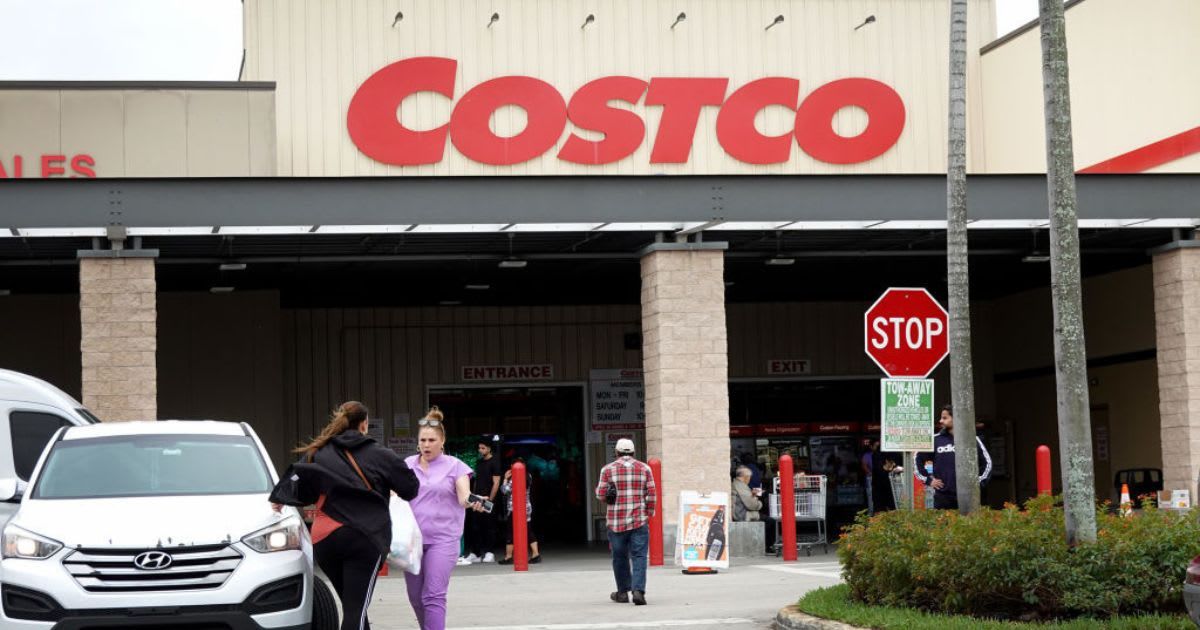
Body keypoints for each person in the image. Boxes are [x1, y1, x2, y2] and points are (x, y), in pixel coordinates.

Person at [271, 401, 420, 630]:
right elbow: (410, 489)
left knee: (355, 609)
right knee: (355, 613)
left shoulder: (318, 452)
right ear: (364, 424)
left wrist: (279, 497)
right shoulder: (380, 454)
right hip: (363, 536)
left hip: (324, 540)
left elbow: (300, 487)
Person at [405, 406, 486, 630]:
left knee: (433, 595)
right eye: (423, 440)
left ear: (442, 441)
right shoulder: (407, 465)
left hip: (443, 540)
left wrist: (474, 501)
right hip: (412, 541)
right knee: (415, 597)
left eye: (432, 440)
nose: (426, 445)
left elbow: (463, 497)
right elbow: (394, 496)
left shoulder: (455, 466)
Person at [595, 438, 656, 606]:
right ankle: (638, 591)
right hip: (639, 520)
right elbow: (651, 494)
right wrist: (649, 511)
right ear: (633, 452)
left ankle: (622, 592)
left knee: (619, 557)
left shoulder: (607, 470)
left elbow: (601, 495)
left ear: (616, 452)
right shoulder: (645, 468)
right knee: (639, 556)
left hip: (616, 521)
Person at [915, 405, 993, 510]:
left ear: (956, 418)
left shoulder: (972, 439)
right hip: (942, 497)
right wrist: (928, 480)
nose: (941, 421)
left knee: (967, 526)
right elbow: (917, 459)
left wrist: (977, 482)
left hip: (969, 497)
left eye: (945, 418)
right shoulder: (935, 440)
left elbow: (987, 463)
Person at [464, 434, 501, 564]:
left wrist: (490, 500)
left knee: (489, 527)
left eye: (483, 448)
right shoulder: (479, 462)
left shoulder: (495, 462)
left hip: (488, 499)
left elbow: (496, 482)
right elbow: (477, 480)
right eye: (479, 448)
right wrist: (472, 495)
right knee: (475, 526)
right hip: (477, 498)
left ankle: (489, 552)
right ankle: (476, 553)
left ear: (489, 448)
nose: (480, 450)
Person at [497, 457, 541, 564]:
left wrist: (505, 479)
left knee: (510, 532)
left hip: (514, 509)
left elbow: (505, 491)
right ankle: (536, 554)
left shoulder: (513, 478)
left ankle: (508, 556)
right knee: (528, 530)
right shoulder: (528, 476)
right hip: (527, 508)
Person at [869, 438, 897, 514]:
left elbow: (885, 467)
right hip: (887, 485)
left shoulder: (876, 454)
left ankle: (879, 523)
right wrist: (891, 466)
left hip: (880, 485)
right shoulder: (879, 454)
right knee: (891, 506)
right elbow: (887, 467)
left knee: (879, 508)